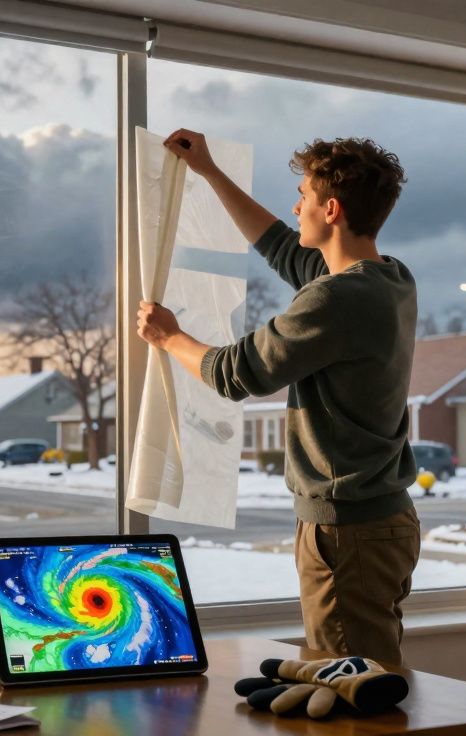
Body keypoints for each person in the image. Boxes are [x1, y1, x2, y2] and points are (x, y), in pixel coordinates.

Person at [136, 129, 420, 665]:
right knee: (368, 672)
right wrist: (212, 173)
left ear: (330, 209)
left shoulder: (337, 300)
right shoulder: (391, 280)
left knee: (352, 689)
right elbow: (283, 247)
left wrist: (168, 336)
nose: (296, 207)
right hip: (379, 521)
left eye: (304, 197)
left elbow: (233, 374)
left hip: (346, 530)